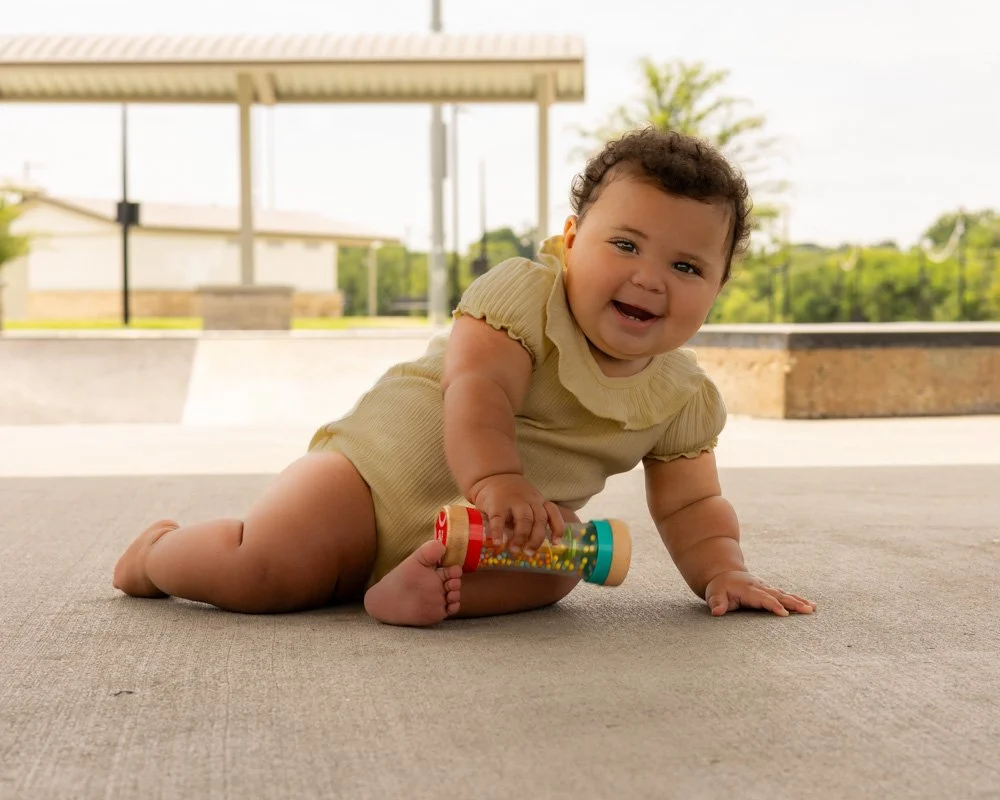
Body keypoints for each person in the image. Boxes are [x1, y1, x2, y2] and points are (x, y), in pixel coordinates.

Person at [113, 127, 816, 627]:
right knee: (265, 571)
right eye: (625, 244)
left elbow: (693, 508)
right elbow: (479, 391)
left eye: (686, 267)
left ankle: (416, 591)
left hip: (491, 537)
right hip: (371, 483)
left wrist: (723, 570)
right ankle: (157, 556)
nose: (649, 278)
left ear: (719, 286)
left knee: (561, 567)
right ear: (571, 242)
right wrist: (498, 482)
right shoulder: (522, 297)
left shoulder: (684, 398)